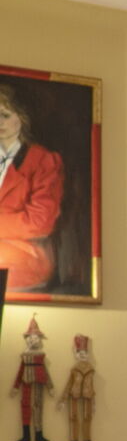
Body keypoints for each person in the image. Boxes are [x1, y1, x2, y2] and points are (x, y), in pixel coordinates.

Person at [0, 82, 64, 293]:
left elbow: (39, 222)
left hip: (24, 256)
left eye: (5, 115)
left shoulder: (43, 160)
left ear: (21, 117)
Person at [10, 316, 52, 441]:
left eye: (36, 338)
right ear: (28, 339)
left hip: (39, 380)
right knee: (25, 405)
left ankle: (39, 434)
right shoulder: (25, 356)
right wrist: (16, 386)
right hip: (26, 380)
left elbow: (46, 371)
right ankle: (26, 435)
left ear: (39, 340)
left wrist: (50, 386)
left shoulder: (40, 356)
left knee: (38, 405)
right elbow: (20, 371)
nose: (34, 340)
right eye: (31, 338)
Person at [60, 333, 96, 441]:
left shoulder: (91, 370)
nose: (82, 355)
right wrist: (63, 399)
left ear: (88, 354)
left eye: (84, 353)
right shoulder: (74, 370)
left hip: (88, 395)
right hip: (74, 394)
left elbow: (92, 385)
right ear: (76, 354)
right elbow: (69, 384)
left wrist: (94, 402)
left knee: (87, 419)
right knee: (73, 418)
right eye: (80, 353)